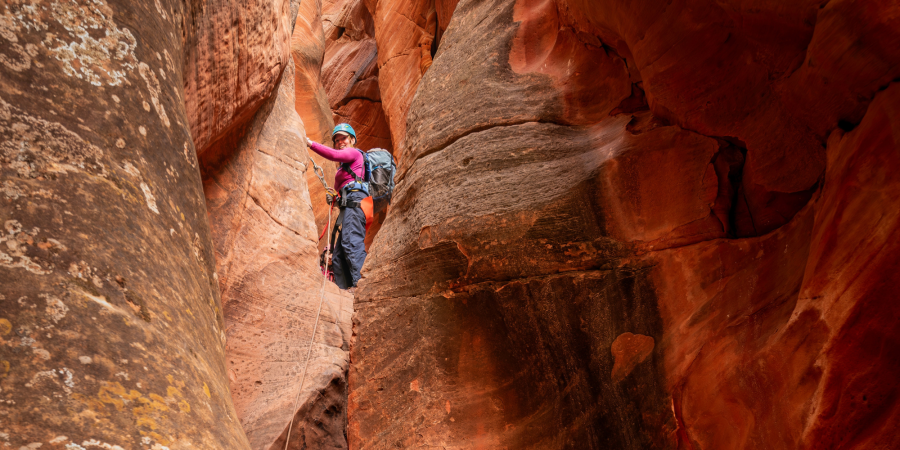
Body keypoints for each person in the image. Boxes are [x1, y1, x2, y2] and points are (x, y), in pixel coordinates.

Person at [307, 124, 367, 290]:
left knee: (351, 243)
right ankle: (344, 291)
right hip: (348, 204)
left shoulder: (353, 153)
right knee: (339, 255)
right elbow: (341, 190)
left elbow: (333, 155)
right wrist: (334, 197)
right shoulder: (344, 167)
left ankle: (362, 287)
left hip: (355, 204)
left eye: (344, 138)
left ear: (352, 140)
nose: (340, 142)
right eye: (337, 140)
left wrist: (310, 143)